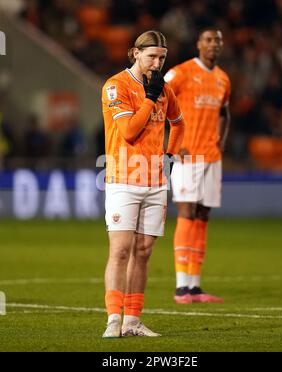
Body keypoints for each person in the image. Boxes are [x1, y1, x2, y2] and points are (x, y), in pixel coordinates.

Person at [101, 30, 184, 337]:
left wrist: (170, 156)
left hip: (155, 181)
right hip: (123, 178)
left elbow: (178, 123)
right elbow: (129, 132)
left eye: (162, 57)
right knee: (121, 250)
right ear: (135, 53)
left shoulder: (165, 89)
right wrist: (149, 99)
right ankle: (113, 319)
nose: (157, 63)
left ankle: (133, 320)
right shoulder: (115, 86)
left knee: (144, 251)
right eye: (152, 56)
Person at [165, 28, 231, 304]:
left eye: (217, 40)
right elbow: (160, 100)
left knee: (203, 215)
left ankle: (194, 286)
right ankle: (181, 287)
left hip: (212, 156)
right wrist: (172, 139)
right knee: (187, 211)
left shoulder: (223, 79)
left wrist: (221, 143)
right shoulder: (180, 72)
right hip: (187, 154)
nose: (213, 44)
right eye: (208, 40)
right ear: (198, 44)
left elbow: (225, 113)